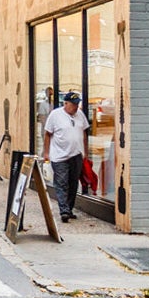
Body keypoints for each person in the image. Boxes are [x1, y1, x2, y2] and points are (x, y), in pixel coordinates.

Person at [43, 90, 89, 222]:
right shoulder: (55, 115)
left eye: (77, 104)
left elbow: (84, 133)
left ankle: (69, 208)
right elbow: (47, 134)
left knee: (73, 183)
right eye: (73, 104)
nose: (75, 107)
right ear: (66, 103)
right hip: (59, 156)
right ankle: (64, 210)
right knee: (62, 183)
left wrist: (85, 152)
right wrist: (46, 153)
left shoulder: (80, 115)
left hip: (76, 155)